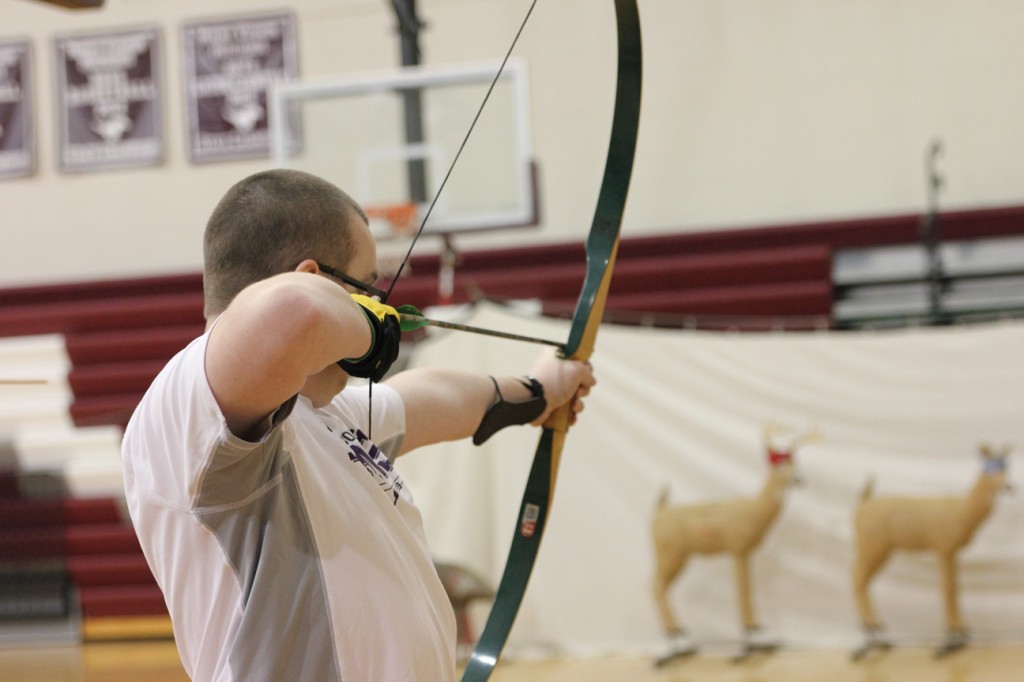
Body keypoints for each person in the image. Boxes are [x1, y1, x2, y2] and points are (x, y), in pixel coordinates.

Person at [121, 168, 595, 682]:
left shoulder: (318, 410)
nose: (381, 305)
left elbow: (428, 397)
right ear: (313, 278)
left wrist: (538, 392)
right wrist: (369, 334)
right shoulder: (191, 404)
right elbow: (292, 312)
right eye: (369, 287)